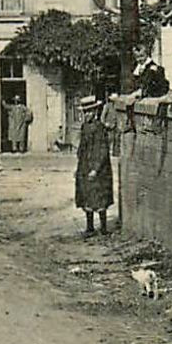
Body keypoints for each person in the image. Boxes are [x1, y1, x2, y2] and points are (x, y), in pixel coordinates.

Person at [74, 95, 114, 237]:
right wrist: (78, 167)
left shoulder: (99, 128)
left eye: (89, 112)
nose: (87, 115)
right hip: (85, 166)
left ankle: (103, 228)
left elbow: (103, 150)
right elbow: (82, 149)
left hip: (99, 168)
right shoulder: (85, 127)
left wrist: (96, 169)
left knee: (100, 197)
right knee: (86, 196)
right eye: (85, 112)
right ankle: (89, 227)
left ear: (95, 112)